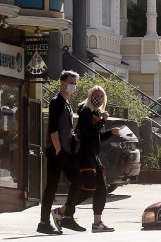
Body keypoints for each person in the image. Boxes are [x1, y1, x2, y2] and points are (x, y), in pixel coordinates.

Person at [54, 85, 119, 233]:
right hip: (84, 156)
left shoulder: (95, 113)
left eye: (102, 96)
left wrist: (110, 132)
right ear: (90, 96)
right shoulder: (85, 112)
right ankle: (62, 210)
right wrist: (102, 122)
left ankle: (97, 223)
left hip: (93, 155)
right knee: (89, 188)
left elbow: (97, 137)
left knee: (102, 189)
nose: (99, 98)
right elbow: (88, 132)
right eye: (96, 95)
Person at [38, 70, 80, 235]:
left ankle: (67, 216)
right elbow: (53, 128)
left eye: (75, 83)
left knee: (77, 181)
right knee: (51, 186)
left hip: (67, 151)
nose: (73, 86)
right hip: (58, 151)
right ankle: (43, 222)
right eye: (71, 83)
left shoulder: (67, 103)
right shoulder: (56, 102)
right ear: (63, 83)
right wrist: (58, 149)